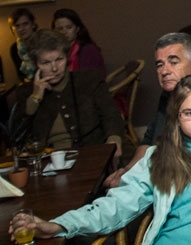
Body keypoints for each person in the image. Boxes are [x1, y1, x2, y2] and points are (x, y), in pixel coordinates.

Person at [10, 75, 191, 243]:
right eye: (190, 113)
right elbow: (116, 206)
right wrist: (58, 225)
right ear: (176, 117)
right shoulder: (158, 157)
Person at [104, 32, 191, 188]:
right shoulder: (170, 95)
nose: (165, 71)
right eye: (160, 64)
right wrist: (128, 170)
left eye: (173, 62)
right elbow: (149, 141)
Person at [10, 30, 124, 160]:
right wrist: (36, 97)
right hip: (48, 160)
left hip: (91, 153)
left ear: (67, 58)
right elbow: (18, 135)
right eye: (46, 63)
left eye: (59, 59)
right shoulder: (25, 92)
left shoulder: (88, 79)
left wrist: (114, 140)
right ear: (36, 64)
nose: (54, 68)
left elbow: (111, 115)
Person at [52, 8, 106, 77]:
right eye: (60, 29)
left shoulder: (89, 50)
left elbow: (90, 79)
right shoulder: (52, 51)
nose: (64, 32)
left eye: (69, 27)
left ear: (77, 29)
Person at [8, 8, 37, 81]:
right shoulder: (14, 48)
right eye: (17, 26)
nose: (21, 29)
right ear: (12, 29)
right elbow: (20, 75)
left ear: (33, 25)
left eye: (25, 24)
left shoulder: (43, 41)